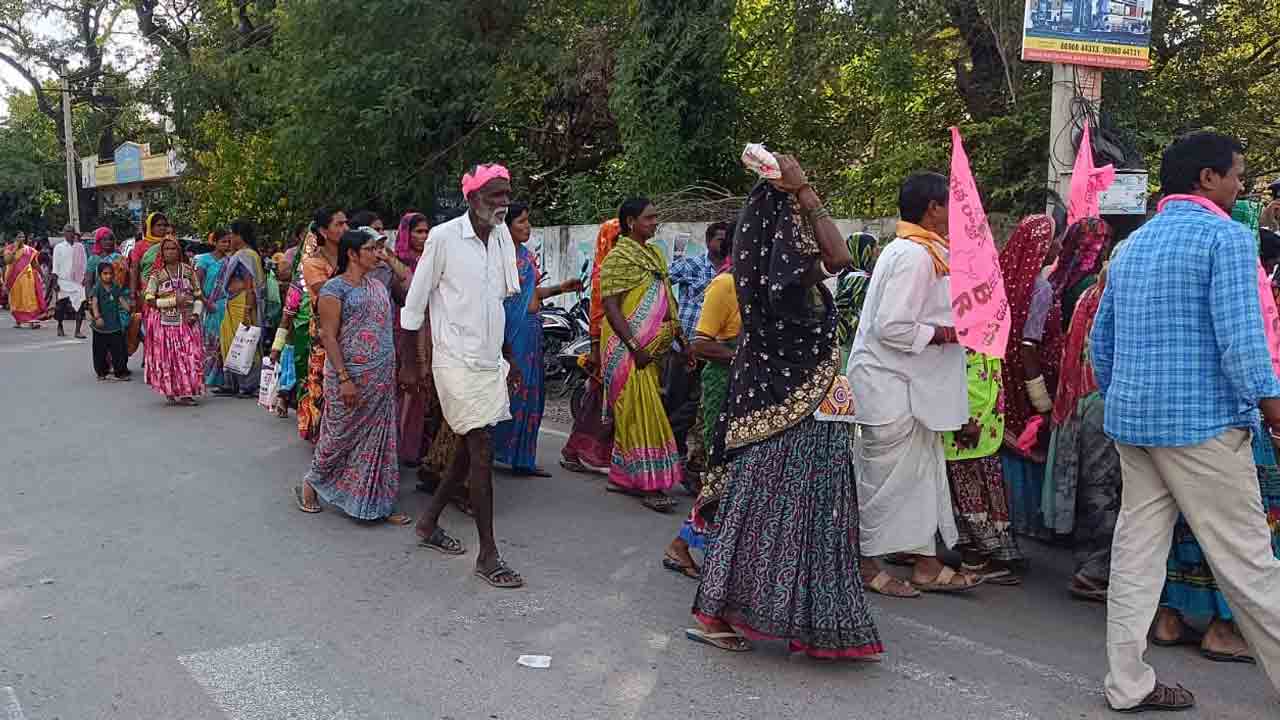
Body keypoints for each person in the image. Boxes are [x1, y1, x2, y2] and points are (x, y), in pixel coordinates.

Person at [1096, 131, 1280, 713]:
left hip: (1134, 423)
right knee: (1249, 563)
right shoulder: (1226, 239)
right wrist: (1271, 408)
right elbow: (1242, 342)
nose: (1241, 185)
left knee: (1136, 556)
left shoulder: (1132, 246)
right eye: (1237, 175)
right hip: (1202, 426)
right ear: (1207, 178)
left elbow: (1103, 343)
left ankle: (1127, 684)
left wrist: (1128, 396)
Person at [691, 155, 881, 658]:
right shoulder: (779, 280)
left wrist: (802, 195)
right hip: (783, 402)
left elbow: (834, 259)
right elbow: (842, 257)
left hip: (803, 398)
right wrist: (805, 191)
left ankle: (804, 616)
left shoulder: (786, 277)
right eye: (796, 221)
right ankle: (720, 612)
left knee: (811, 509)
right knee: (768, 507)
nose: (806, 228)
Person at [849, 171, 980, 597]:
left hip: (911, 388)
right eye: (950, 204)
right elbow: (892, 326)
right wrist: (945, 334)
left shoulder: (922, 250)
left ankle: (926, 564)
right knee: (884, 481)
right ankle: (865, 564)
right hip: (889, 387)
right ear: (933, 209)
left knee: (922, 477)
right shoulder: (914, 255)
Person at [402, 163, 525, 589]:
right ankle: (488, 554)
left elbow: (497, 305)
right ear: (472, 199)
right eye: (495, 195)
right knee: (482, 447)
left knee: (467, 448)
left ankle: (429, 521)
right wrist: (411, 364)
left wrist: (508, 357)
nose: (503, 203)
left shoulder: (503, 238)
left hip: (488, 361)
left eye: (507, 195)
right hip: (453, 360)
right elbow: (414, 305)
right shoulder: (443, 238)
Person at [296, 230, 412, 525]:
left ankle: (377, 503)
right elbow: (329, 337)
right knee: (339, 437)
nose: (376, 253)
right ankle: (311, 483)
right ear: (352, 254)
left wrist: (389, 258)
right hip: (349, 378)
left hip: (381, 377)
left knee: (379, 441)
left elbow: (409, 289)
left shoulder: (377, 285)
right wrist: (345, 378)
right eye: (371, 249)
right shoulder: (334, 290)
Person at [1039, 220, 1120, 603]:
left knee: (1095, 485)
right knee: (1107, 488)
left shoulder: (1090, 294)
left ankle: (1090, 564)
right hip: (1105, 398)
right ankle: (1095, 571)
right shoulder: (1106, 296)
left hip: (1081, 396)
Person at [599, 198, 687, 512]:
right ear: (631, 221)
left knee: (636, 412)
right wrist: (636, 347)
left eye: (655, 217)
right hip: (627, 349)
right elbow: (611, 308)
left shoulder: (654, 255)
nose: (654, 223)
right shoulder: (618, 257)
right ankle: (650, 484)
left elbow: (667, 300)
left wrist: (682, 342)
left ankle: (622, 477)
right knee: (642, 413)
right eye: (649, 218)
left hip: (651, 350)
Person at [663, 234, 737, 580]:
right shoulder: (724, 284)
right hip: (721, 382)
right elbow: (702, 343)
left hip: (754, 390)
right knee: (725, 472)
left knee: (734, 476)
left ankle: (695, 546)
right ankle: (685, 544)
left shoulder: (765, 286)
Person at [491, 203, 583, 476]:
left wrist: (560, 288)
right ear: (506, 227)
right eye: (521, 222)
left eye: (528, 220)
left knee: (532, 393)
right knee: (511, 391)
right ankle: (493, 451)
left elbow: (532, 295)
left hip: (532, 327)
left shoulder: (527, 256)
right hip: (510, 328)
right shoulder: (499, 257)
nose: (527, 226)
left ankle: (522, 458)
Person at [997, 214, 1063, 539]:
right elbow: (1028, 345)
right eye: (1054, 241)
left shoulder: (1000, 281)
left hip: (1000, 376)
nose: (1059, 247)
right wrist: (1041, 400)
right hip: (1027, 379)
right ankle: (1027, 521)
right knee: (1029, 442)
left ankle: (1006, 518)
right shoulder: (1040, 289)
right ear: (1041, 246)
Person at [941, 350, 1023, 584]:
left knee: (983, 488)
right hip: (968, 422)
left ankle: (990, 552)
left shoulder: (985, 324)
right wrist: (967, 417)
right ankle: (974, 559)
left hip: (984, 421)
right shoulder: (965, 322)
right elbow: (956, 370)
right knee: (969, 491)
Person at [665, 222, 730, 479]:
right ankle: (673, 455)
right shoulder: (692, 265)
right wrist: (668, 318)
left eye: (727, 240)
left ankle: (691, 460)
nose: (723, 244)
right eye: (719, 239)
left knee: (700, 406)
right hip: (685, 346)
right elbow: (660, 283)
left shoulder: (730, 272)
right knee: (678, 401)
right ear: (708, 241)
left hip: (714, 350)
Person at [559, 219, 620, 474]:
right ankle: (575, 450)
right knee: (598, 402)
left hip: (624, 342)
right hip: (606, 342)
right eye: (616, 240)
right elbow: (596, 313)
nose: (620, 245)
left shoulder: (624, 267)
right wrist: (596, 349)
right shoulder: (602, 273)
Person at [296, 209, 348, 442]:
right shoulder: (313, 262)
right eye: (339, 224)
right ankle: (323, 434)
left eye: (346, 223)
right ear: (324, 231)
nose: (345, 228)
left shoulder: (351, 256)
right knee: (322, 379)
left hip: (352, 327)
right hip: (325, 328)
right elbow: (325, 292)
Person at [143, 236, 204, 405]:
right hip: (166, 322)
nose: (170, 252)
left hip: (188, 322)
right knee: (170, 358)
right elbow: (149, 298)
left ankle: (186, 392)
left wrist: (195, 315)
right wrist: (172, 302)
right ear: (162, 252)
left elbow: (198, 295)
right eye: (167, 249)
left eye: (173, 248)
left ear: (179, 251)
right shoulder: (157, 275)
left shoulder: (188, 271)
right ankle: (170, 389)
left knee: (190, 356)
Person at [392, 212, 432, 464]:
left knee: (421, 388)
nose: (423, 236)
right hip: (403, 329)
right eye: (418, 231)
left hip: (428, 328)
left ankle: (412, 448)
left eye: (426, 231)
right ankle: (394, 445)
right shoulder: (396, 263)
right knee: (404, 386)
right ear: (407, 233)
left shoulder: (430, 259)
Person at [214, 221, 266, 398]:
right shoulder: (241, 254)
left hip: (242, 303)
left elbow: (249, 285)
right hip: (233, 302)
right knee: (229, 341)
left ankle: (248, 385)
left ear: (240, 236)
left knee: (245, 342)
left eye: (232, 234)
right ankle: (232, 383)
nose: (230, 238)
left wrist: (247, 309)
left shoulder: (246, 255)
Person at [834, 232, 879, 369]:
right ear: (863, 252)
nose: (878, 256)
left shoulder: (846, 277)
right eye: (874, 251)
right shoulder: (861, 281)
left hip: (846, 345)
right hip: (857, 347)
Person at [194, 230, 232, 391]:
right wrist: (205, 302)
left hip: (225, 304)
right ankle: (208, 374)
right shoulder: (204, 260)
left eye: (229, 242)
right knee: (209, 340)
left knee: (223, 341)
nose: (227, 245)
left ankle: (221, 376)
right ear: (215, 242)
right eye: (223, 241)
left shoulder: (230, 261)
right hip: (210, 304)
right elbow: (196, 285)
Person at [87, 263, 132, 381]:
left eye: (110, 273)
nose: (108, 276)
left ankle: (120, 372)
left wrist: (128, 308)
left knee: (118, 350)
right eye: (105, 274)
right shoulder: (97, 288)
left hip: (115, 325)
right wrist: (97, 317)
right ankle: (101, 372)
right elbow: (95, 303)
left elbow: (121, 299)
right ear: (100, 275)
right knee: (99, 351)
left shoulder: (115, 287)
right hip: (100, 326)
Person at [3, 230, 47, 329]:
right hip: (13, 279)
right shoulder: (9, 249)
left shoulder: (29, 250)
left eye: (23, 237)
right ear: (14, 239)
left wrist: (42, 274)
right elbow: (7, 261)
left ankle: (32, 320)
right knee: (16, 300)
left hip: (27, 278)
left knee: (29, 299)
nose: (21, 239)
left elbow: (35, 264)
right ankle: (18, 319)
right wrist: (14, 250)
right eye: (19, 237)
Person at [51, 224, 87, 338]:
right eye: (67, 232)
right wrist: (55, 282)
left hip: (77, 282)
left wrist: (85, 278)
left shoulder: (80, 247)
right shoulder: (59, 247)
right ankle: (60, 326)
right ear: (64, 234)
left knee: (80, 307)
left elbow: (84, 264)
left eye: (71, 231)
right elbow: (55, 266)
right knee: (61, 307)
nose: (70, 234)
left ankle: (77, 331)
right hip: (63, 281)